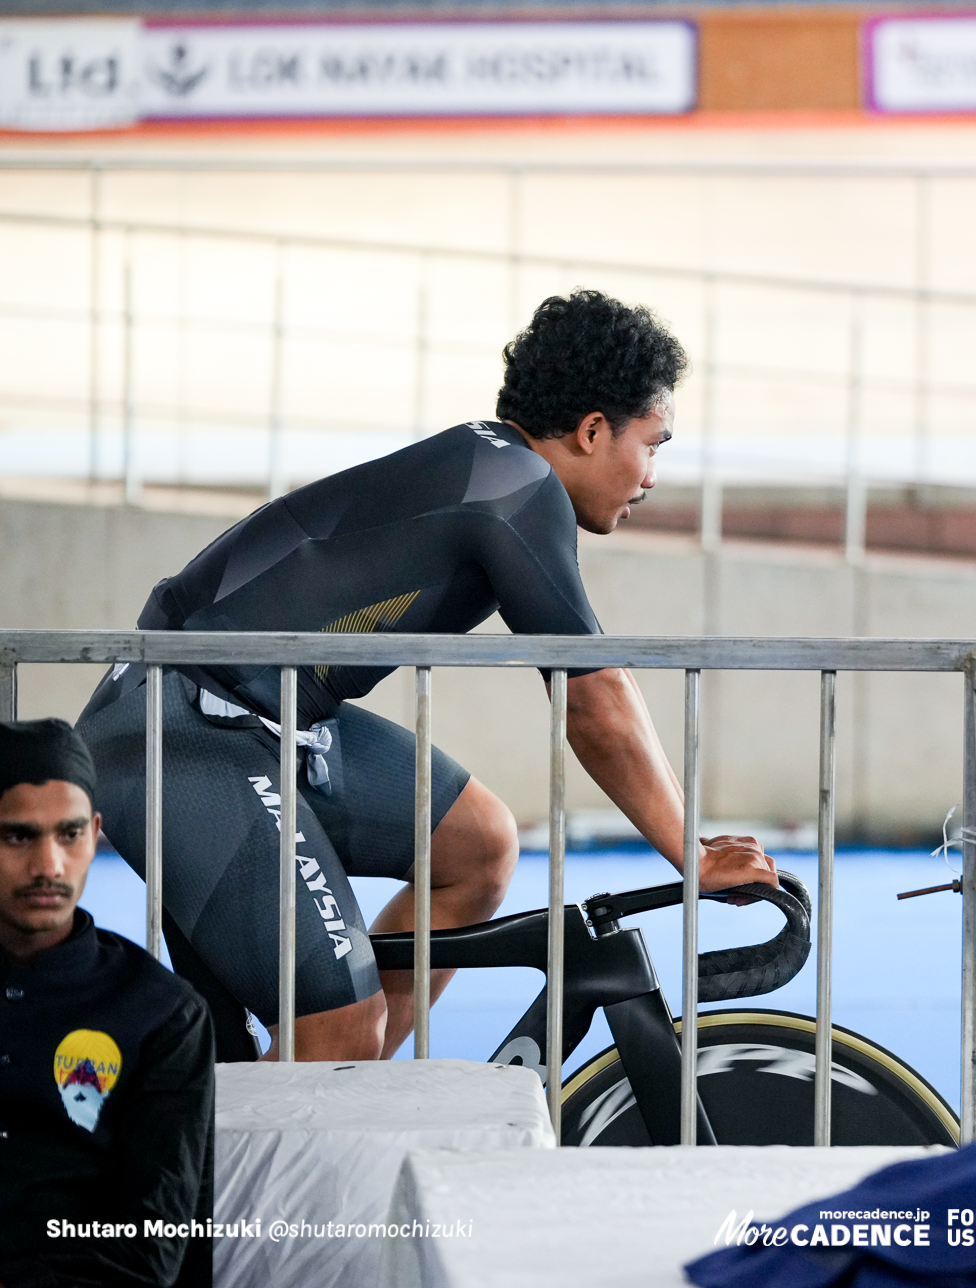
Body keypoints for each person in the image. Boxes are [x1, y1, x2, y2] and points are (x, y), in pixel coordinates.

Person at [76, 289, 777, 1063]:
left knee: (477, 846)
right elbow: (594, 699)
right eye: (654, 444)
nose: (652, 476)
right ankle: (302, 1117)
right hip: (184, 728)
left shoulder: (497, 465)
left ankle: (325, 1096)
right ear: (590, 431)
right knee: (341, 1024)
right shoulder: (518, 489)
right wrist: (692, 854)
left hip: (238, 713)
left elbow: (596, 679)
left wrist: (690, 839)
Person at [0, 718, 215, 1288]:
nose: (49, 866)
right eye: (17, 836)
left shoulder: (162, 1014)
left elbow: (148, 1246)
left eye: (69, 835)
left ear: (95, 835)